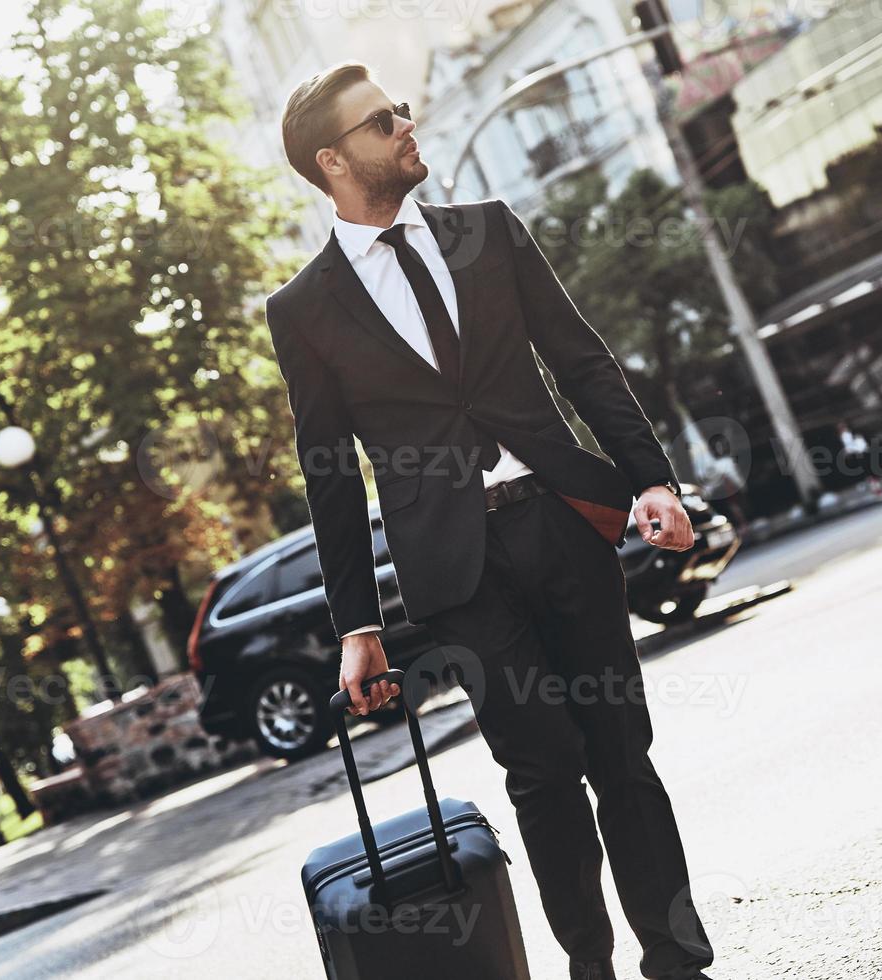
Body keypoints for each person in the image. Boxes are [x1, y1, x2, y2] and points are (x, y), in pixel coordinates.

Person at [268, 62, 715, 980]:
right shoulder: (304, 309)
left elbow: (583, 361)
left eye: (398, 110)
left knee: (621, 752)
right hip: (456, 573)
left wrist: (652, 481)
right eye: (380, 121)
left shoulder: (490, 233)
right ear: (333, 159)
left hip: (561, 520)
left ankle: (673, 953)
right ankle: (587, 961)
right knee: (542, 770)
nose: (404, 125)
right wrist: (357, 625)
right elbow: (330, 477)